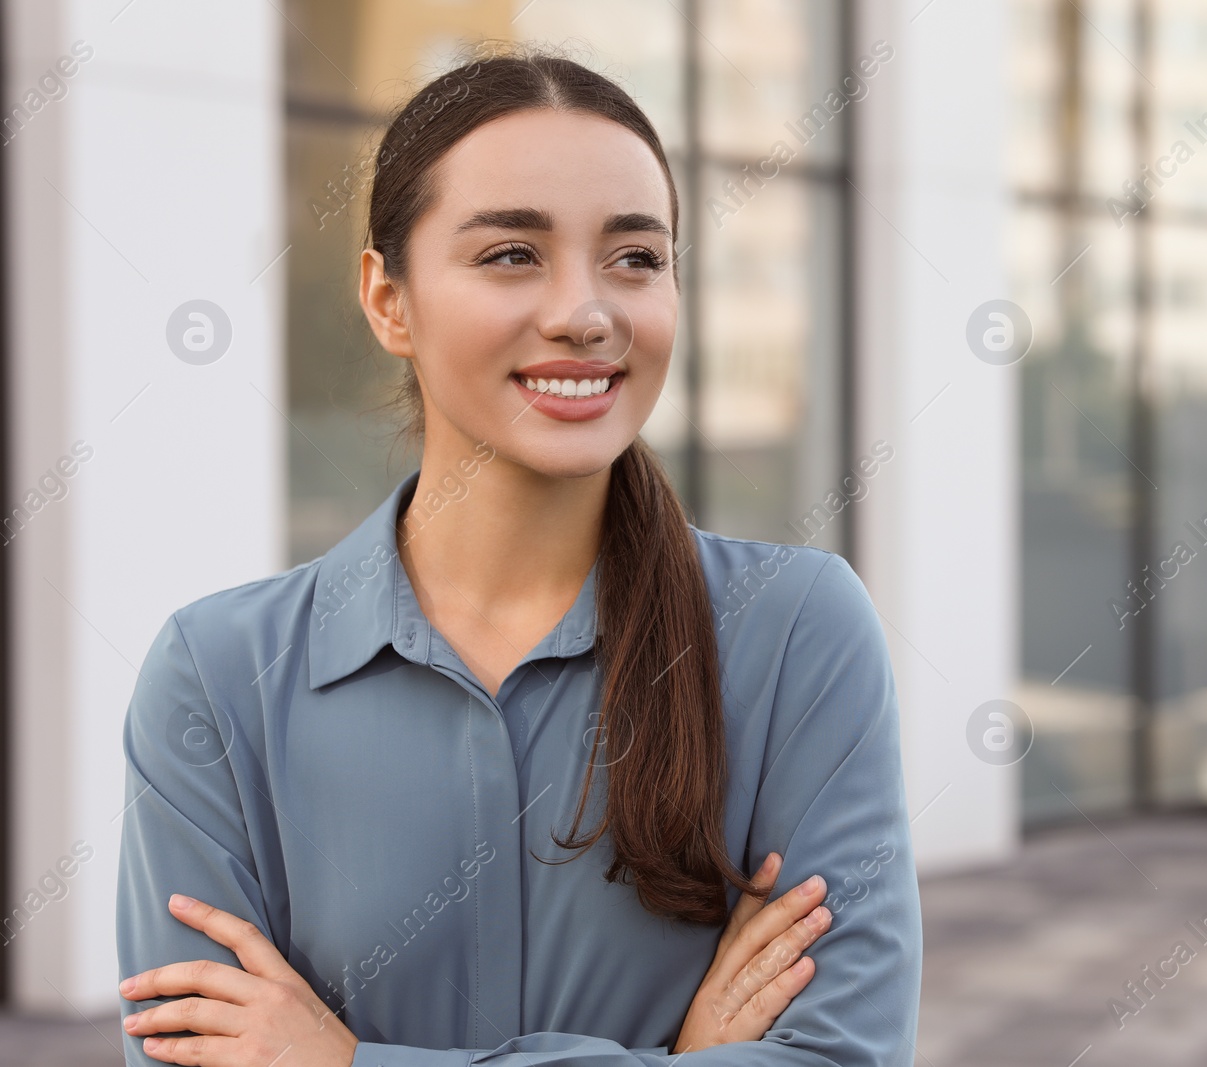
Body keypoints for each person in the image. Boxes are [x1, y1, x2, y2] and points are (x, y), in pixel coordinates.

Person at [114, 48, 921, 1067]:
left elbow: (840, 1057)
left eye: (636, 257)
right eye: (511, 255)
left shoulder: (797, 629)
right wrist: (678, 1059)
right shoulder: (218, 677)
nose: (584, 312)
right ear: (387, 299)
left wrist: (342, 1060)